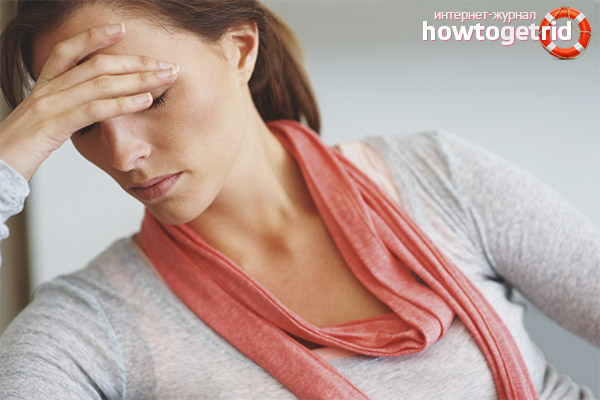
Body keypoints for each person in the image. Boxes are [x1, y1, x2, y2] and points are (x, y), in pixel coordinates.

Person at [0, 1, 598, 399]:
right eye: (82, 123)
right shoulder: (93, 320)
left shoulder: (437, 175)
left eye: (149, 99)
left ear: (239, 50)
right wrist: (8, 161)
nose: (123, 154)